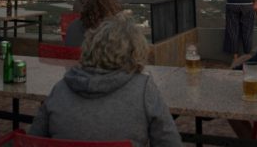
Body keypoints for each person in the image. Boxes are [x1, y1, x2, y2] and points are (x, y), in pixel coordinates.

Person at [30, 16, 181, 146]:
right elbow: (169, 142)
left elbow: (32, 140)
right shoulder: (143, 90)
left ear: (90, 46)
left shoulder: (61, 88)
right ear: (135, 52)